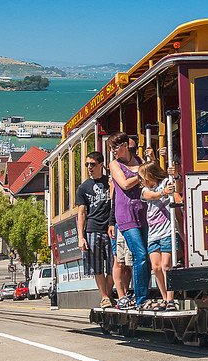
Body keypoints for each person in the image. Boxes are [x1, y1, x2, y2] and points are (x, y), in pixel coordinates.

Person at [109, 131, 150, 310]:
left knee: (146, 256)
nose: (113, 152)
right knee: (139, 254)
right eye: (111, 148)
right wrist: (142, 176)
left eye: (115, 148)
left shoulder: (140, 161)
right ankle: (141, 298)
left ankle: (143, 295)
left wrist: (153, 162)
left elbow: (153, 178)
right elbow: (124, 184)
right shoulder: (114, 164)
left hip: (144, 212)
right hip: (126, 215)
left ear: (125, 146)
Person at [138, 159, 181, 311]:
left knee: (166, 265)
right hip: (153, 234)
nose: (141, 181)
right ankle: (164, 297)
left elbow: (177, 190)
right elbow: (151, 196)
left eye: (143, 177)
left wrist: (175, 176)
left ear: (150, 176)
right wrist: (163, 192)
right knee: (156, 267)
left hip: (167, 231)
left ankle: (170, 299)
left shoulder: (165, 182)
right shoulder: (144, 191)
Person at [75, 151, 114, 307]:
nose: (89, 167)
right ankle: (104, 296)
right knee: (96, 266)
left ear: (101, 164)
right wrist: (80, 236)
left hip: (110, 228)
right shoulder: (83, 187)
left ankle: (109, 294)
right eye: (87, 164)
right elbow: (82, 212)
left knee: (114, 264)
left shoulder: (110, 182)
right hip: (92, 229)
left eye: (92, 164)